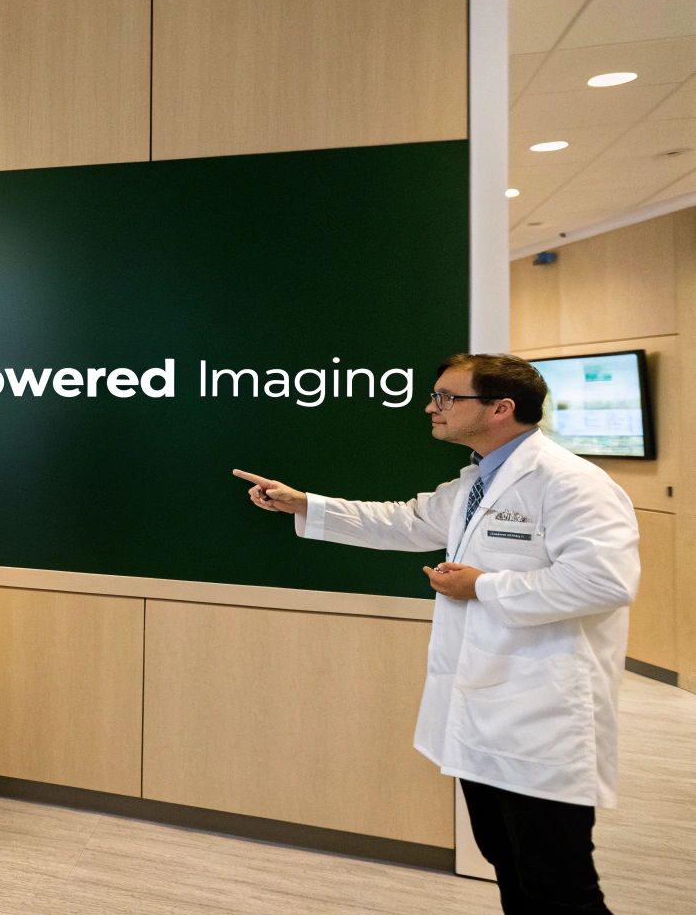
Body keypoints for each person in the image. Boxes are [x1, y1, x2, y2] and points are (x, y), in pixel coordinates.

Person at [234, 353, 638, 914]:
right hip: (484, 715)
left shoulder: (571, 483)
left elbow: (603, 583)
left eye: (448, 397)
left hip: (543, 719)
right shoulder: (477, 481)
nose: (431, 406)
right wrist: (306, 504)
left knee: (559, 884)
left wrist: (484, 587)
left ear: (501, 407)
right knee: (510, 865)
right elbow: (406, 521)